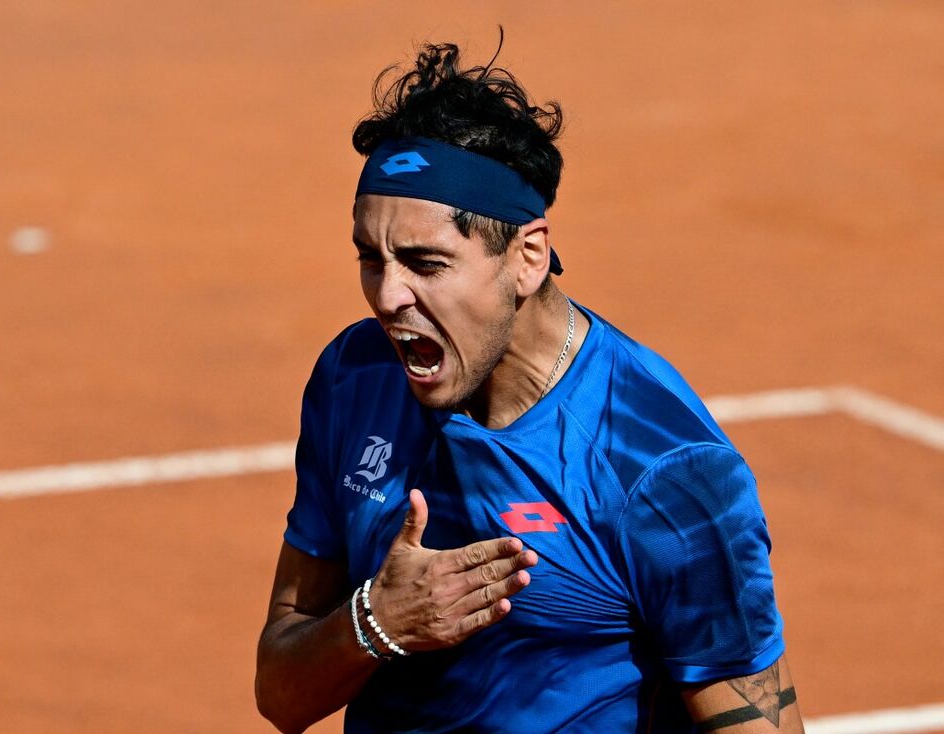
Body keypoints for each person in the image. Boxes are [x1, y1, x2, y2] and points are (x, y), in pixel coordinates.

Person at [256, 37, 804, 734]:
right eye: (372, 258)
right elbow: (280, 691)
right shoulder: (356, 379)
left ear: (528, 258)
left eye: (425, 263)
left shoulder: (660, 471)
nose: (387, 296)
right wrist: (376, 622)